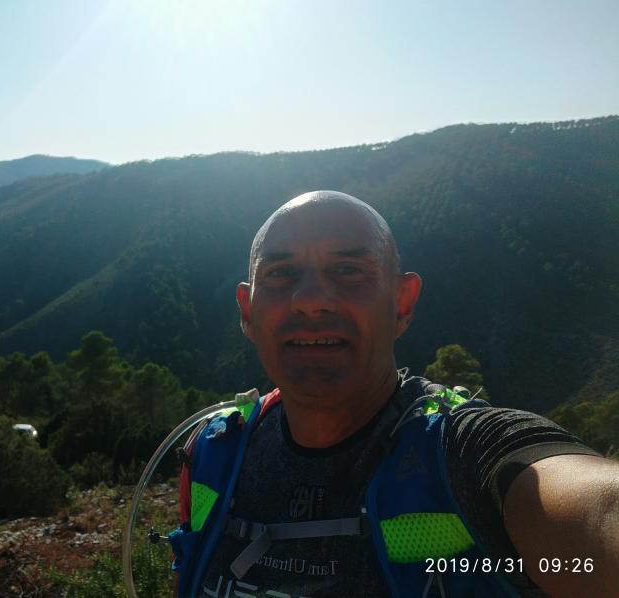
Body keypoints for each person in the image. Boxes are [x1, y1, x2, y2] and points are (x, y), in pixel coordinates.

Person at [174, 191, 619, 597]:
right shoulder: (215, 452)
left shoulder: (466, 452)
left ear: (402, 303)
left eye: (348, 270)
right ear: (247, 312)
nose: (310, 299)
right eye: (280, 273)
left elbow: (596, 510)